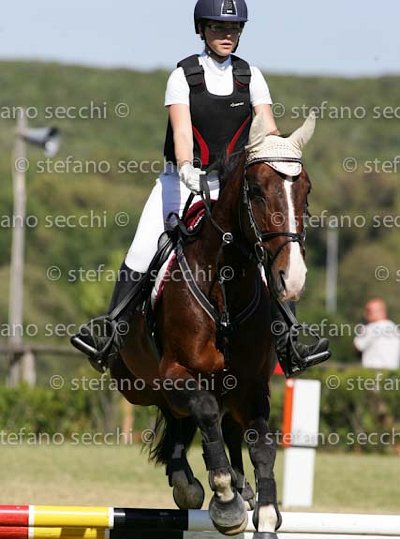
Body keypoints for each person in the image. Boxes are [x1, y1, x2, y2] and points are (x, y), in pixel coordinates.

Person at [71, 0, 330, 377]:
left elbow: (267, 130)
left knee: (269, 252)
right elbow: (181, 131)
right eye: (217, 28)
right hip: (181, 182)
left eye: (233, 28)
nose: (226, 35)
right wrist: (186, 167)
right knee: (143, 250)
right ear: (202, 30)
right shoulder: (184, 76)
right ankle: (109, 333)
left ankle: (290, 341)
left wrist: (280, 155)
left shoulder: (251, 76)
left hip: (234, 188)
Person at [353, 298, 400, 369]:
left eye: (369, 311)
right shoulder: (395, 328)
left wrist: (361, 329)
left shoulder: (372, 327)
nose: (366, 314)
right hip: (392, 372)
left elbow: (357, 347)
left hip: (373, 372)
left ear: (381, 311)